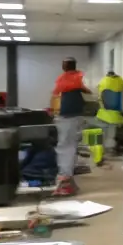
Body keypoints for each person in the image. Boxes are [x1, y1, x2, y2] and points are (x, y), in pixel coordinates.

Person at [50, 58, 91, 196]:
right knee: (69, 146)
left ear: (66, 66)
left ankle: (65, 179)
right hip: (69, 116)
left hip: (69, 116)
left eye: (64, 64)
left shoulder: (75, 78)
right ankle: (67, 178)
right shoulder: (76, 78)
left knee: (65, 147)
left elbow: (88, 92)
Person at [95, 68, 123, 157]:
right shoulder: (121, 81)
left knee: (101, 134)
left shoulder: (103, 81)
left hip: (103, 113)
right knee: (112, 134)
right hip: (116, 114)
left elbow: (99, 96)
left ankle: (100, 151)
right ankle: (111, 150)